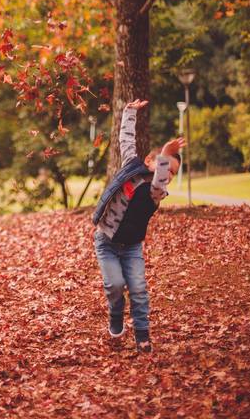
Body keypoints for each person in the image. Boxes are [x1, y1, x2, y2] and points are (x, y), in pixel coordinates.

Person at [91, 99, 185, 353]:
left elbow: (159, 180)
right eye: (164, 165)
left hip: (131, 247)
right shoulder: (131, 165)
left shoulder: (157, 192)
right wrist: (129, 112)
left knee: (139, 289)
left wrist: (166, 155)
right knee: (114, 285)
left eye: (172, 174)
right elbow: (126, 140)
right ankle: (116, 316)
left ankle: (142, 335)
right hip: (106, 241)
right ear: (148, 160)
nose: (167, 175)